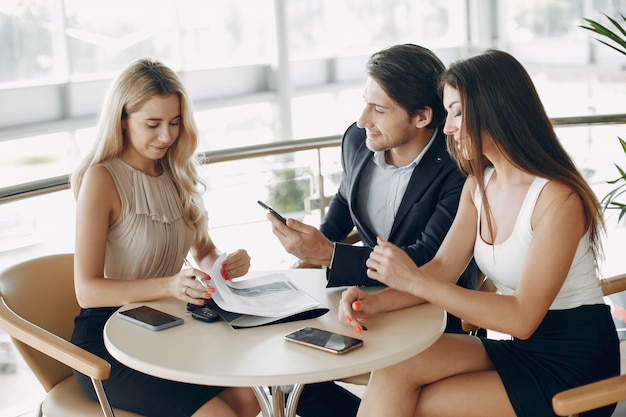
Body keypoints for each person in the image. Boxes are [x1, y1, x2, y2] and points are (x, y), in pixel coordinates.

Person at [338, 49, 620, 417]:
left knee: (422, 406)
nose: (448, 127)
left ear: (497, 110)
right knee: (394, 366)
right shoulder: (478, 185)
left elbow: (522, 319)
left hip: (573, 361)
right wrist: (374, 302)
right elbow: (442, 268)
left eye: (456, 112)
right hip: (523, 349)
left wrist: (413, 282)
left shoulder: (558, 199)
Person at [266, 44, 478, 417]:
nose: (363, 119)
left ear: (422, 116)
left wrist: (330, 255)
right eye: (365, 103)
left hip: (436, 310)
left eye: (379, 110)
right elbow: (345, 205)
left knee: (393, 386)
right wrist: (309, 246)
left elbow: (426, 258)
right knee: (290, 369)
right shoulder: (357, 141)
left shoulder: (456, 165)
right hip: (361, 299)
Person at [70, 58, 260, 417]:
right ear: (122, 120)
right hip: (108, 339)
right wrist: (170, 286)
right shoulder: (102, 179)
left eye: (174, 123)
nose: (167, 136)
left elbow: (203, 251)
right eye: (152, 124)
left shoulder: (174, 171)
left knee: (250, 399)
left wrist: (224, 263)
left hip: (168, 327)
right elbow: (87, 290)